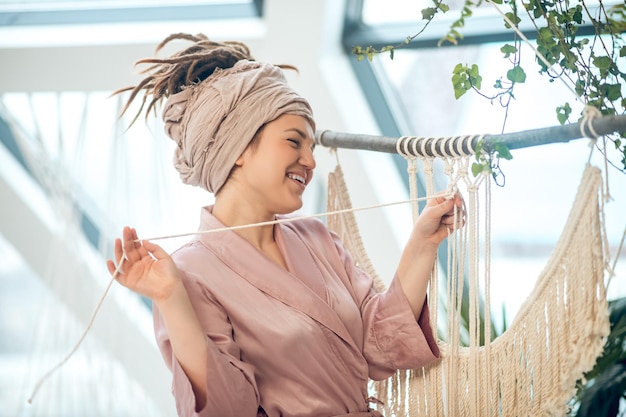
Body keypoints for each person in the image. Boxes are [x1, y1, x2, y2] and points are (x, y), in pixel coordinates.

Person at [107, 33, 465, 417]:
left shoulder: (316, 238)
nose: (310, 161)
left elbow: (379, 345)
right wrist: (170, 299)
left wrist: (424, 243)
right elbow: (228, 409)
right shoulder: (187, 275)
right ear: (240, 148)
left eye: (311, 146)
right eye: (294, 142)